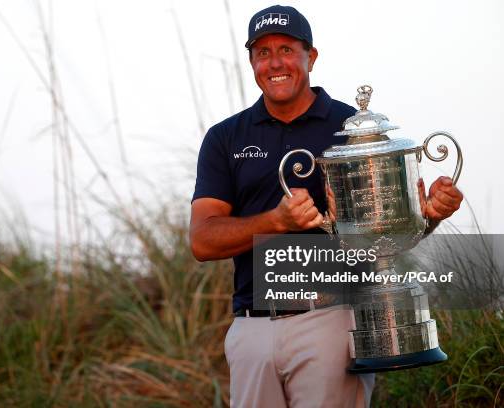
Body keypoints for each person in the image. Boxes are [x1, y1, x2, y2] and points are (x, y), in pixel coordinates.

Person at [189, 5, 463, 407]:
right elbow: (203, 241)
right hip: (251, 330)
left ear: (310, 57)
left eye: (286, 49)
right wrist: (276, 220)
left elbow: (386, 230)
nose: (275, 62)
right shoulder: (224, 137)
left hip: (331, 321)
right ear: (251, 62)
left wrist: (429, 214)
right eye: (262, 52)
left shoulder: (352, 128)